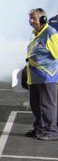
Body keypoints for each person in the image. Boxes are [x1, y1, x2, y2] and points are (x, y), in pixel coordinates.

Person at [25, 8, 58, 140]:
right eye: (30, 18)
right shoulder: (37, 34)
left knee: (47, 105)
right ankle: (39, 128)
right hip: (35, 77)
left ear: (43, 19)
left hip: (46, 76)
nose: (30, 21)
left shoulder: (50, 33)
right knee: (35, 105)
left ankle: (52, 131)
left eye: (33, 18)